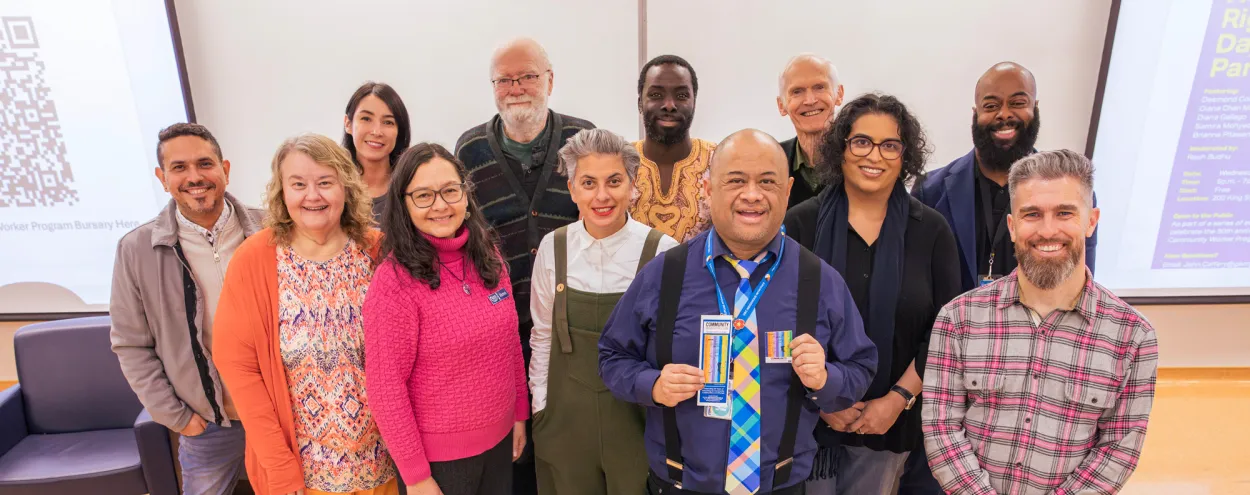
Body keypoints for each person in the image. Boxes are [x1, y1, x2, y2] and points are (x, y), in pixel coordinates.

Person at [600, 129, 878, 495]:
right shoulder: (665, 274)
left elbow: (861, 367)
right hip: (680, 486)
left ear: (788, 190)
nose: (752, 194)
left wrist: (826, 379)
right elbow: (612, 357)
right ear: (708, 188)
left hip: (781, 487)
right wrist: (652, 385)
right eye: (735, 181)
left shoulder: (819, 280)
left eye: (767, 181)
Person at [922, 150, 1158, 495]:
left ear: (1090, 221)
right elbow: (941, 427)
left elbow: (1118, 449)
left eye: (1064, 213)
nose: (1048, 231)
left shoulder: (1134, 337)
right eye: (1032, 214)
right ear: (1013, 226)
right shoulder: (958, 318)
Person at [784, 94, 962, 494]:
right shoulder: (800, 223)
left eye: (890, 145)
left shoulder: (931, 232)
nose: (874, 156)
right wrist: (825, 399)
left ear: (906, 156)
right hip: (808, 420)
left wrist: (897, 399)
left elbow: (947, 331)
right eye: (861, 141)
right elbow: (779, 318)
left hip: (890, 423)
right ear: (840, 148)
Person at [213, 134, 398, 495]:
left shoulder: (379, 250)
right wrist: (280, 468)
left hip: (385, 467)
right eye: (298, 184)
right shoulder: (254, 260)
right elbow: (238, 367)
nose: (312, 196)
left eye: (325, 183)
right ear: (282, 192)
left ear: (346, 186)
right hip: (302, 478)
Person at [454, 38, 594, 495]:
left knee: (564, 452)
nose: (516, 87)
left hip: (568, 329)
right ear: (493, 86)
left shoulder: (584, 139)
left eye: (528, 76)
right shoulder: (469, 149)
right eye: (505, 79)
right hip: (499, 330)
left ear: (550, 80)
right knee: (510, 458)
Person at [364, 143, 528, 495]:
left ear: (466, 195)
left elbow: (510, 343)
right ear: (404, 204)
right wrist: (416, 476)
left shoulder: (489, 255)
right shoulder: (393, 283)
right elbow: (385, 388)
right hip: (439, 465)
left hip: (500, 444)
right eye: (423, 195)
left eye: (450, 191)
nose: (440, 205)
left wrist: (518, 413)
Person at [110, 123, 263, 495]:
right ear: (163, 179)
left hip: (282, 416)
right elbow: (132, 345)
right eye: (179, 168)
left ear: (225, 170)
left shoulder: (272, 230)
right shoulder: (137, 250)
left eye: (204, 164)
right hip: (208, 424)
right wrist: (178, 418)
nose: (194, 177)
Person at [529, 129, 679, 495]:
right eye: (588, 182)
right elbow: (543, 336)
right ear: (572, 189)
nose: (601, 196)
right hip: (564, 427)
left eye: (614, 181)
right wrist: (541, 408)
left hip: (638, 424)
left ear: (632, 185)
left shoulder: (662, 253)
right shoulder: (554, 248)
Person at [912, 62, 1097, 292]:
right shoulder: (930, 192)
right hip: (954, 326)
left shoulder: (1071, 193)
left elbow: (1080, 285)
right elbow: (918, 288)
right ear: (975, 113)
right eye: (991, 106)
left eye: (1018, 103)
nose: (1004, 114)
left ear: (1035, 108)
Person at [630, 54, 716, 243]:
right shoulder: (618, 162)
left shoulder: (719, 161)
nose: (669, 105)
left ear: (694, 103)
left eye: (681, 96)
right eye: (656, 95)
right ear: (639, 104)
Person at [776, 53, 844, 208]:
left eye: (819, 87)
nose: (810, 100)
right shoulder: (771, 161)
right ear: (781, 105)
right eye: (797, 91)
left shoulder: (860, 158)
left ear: (839, 94)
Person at [342, 81, 412, 222]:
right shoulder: (331, 187)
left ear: (399, 131)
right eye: (366, 119)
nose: (376, 131)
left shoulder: (413, 188)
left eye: (388, 122)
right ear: (348, 124)